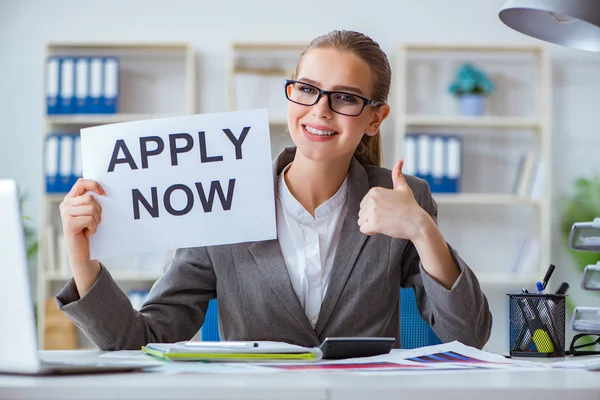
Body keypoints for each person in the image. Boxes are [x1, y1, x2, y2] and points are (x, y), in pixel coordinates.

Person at [57, 30, 492, 351]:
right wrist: (82, 259)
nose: (319, 111)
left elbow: (469, 336)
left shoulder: (403, 198)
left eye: (344, 98)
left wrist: (421, 228)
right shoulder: (222, 199)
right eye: (307, 90)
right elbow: (140, 340)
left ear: (374, 119)